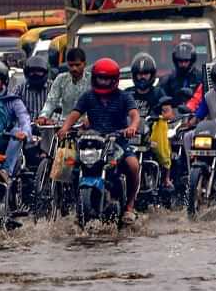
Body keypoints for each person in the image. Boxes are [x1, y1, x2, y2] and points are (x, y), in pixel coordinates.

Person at [56, 58, 141, 223]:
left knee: (133, 165)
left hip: (118, 142)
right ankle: (67, 205)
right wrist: (65, 128)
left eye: (107, 79)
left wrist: (132, 127)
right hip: (93, 142)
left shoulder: (124, 97)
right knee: (67, 164)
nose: (103, 82)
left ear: (114, 79)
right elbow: (75, 113)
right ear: (94, 78)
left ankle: (130, 206)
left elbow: (134, 115)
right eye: (100, 78)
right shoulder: (88, 96)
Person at [128, 53, 174, 189]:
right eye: (139, 74)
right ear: (134, 75)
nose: (142, 77)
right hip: (131, 132)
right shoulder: (127, 93)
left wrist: (162, 116)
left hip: (152, 132)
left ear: (152, 75)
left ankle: (166, 178)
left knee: (161, 147)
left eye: (146, 74)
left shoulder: (158, 93)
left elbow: (169, 112)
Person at [38, 47, 91, 122]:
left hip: (86, 125)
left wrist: (90, 118)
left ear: (84, 64)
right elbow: (51, 101)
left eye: (77, 65)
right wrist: (43, 116)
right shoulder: (61, 79)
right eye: (71, 65)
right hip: (64, 124)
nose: (74, 69)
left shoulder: (91, 80)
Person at [13, 55, 52, 122]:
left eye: (39, 72)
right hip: (26, 128)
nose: (35, 74)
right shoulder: (20, 89)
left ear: (45, 72)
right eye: (32, 72)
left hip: (49, 127)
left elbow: (61, 108)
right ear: (26, 73)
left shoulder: (53, 87)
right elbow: (11, 108)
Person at [161, 42, 201, 107]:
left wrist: (193, 95)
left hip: (196, 113)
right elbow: (162, 99)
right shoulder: (169, 79)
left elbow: (206, 99)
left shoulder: (201, 77)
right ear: (176, 61)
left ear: (191, 61)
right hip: (175, 114)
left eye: (186, 61)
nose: (183, 64)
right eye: (180, 61)